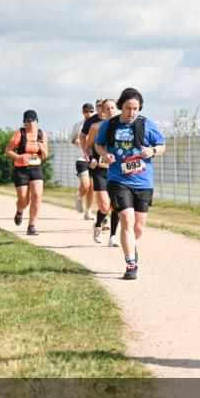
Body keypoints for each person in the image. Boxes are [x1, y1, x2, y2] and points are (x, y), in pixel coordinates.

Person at [94, 88, 166, 280]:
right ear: (120, 107)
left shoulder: (147, 124)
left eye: (136, 108)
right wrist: (105, 154)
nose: (132, 112)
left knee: (139, 227)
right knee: (127, 220)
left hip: (143, 181)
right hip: (118, 179)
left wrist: (153, 151)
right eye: (128, 108)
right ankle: (131, 263)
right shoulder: (109, 125)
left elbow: (162, 146)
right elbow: (98, 145)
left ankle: (131, 244)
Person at [4, 110, 49, 236]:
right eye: (27, 121)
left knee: (37, 196)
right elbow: (8, 150)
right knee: (24, 200)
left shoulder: (41, 134)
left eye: (32, 121)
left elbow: (45, 155)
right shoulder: (20, 133)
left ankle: (32, 226)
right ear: (24, 122)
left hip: (36, 168)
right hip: (21, 169)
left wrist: (42, 149)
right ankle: (19, 211)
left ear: (37, 121)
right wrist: (18, 157)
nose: (30, 124)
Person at [85, 98, 119, 244]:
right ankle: (98, 225)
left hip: (118, 171)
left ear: (117, 109)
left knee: (116, 205)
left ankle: (113, 236)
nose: (110, 111)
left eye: (113, 108)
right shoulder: (95, 127)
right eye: (107, 109)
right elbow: (88, 147)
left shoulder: (124, 127)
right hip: (101, 170)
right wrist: (91, 157)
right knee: (105, 206)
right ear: (102, 111)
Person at [71, 102, 96, 218]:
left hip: (94, 159)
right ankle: (79, 197)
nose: (89, 113)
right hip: (81, 158)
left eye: (91, 111)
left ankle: (88, 211)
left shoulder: (97, 124)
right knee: (85, 185)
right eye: (86, 111)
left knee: (92, 187)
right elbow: (72, 138)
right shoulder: (78, 125)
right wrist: (77, 141)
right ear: (83, 112)